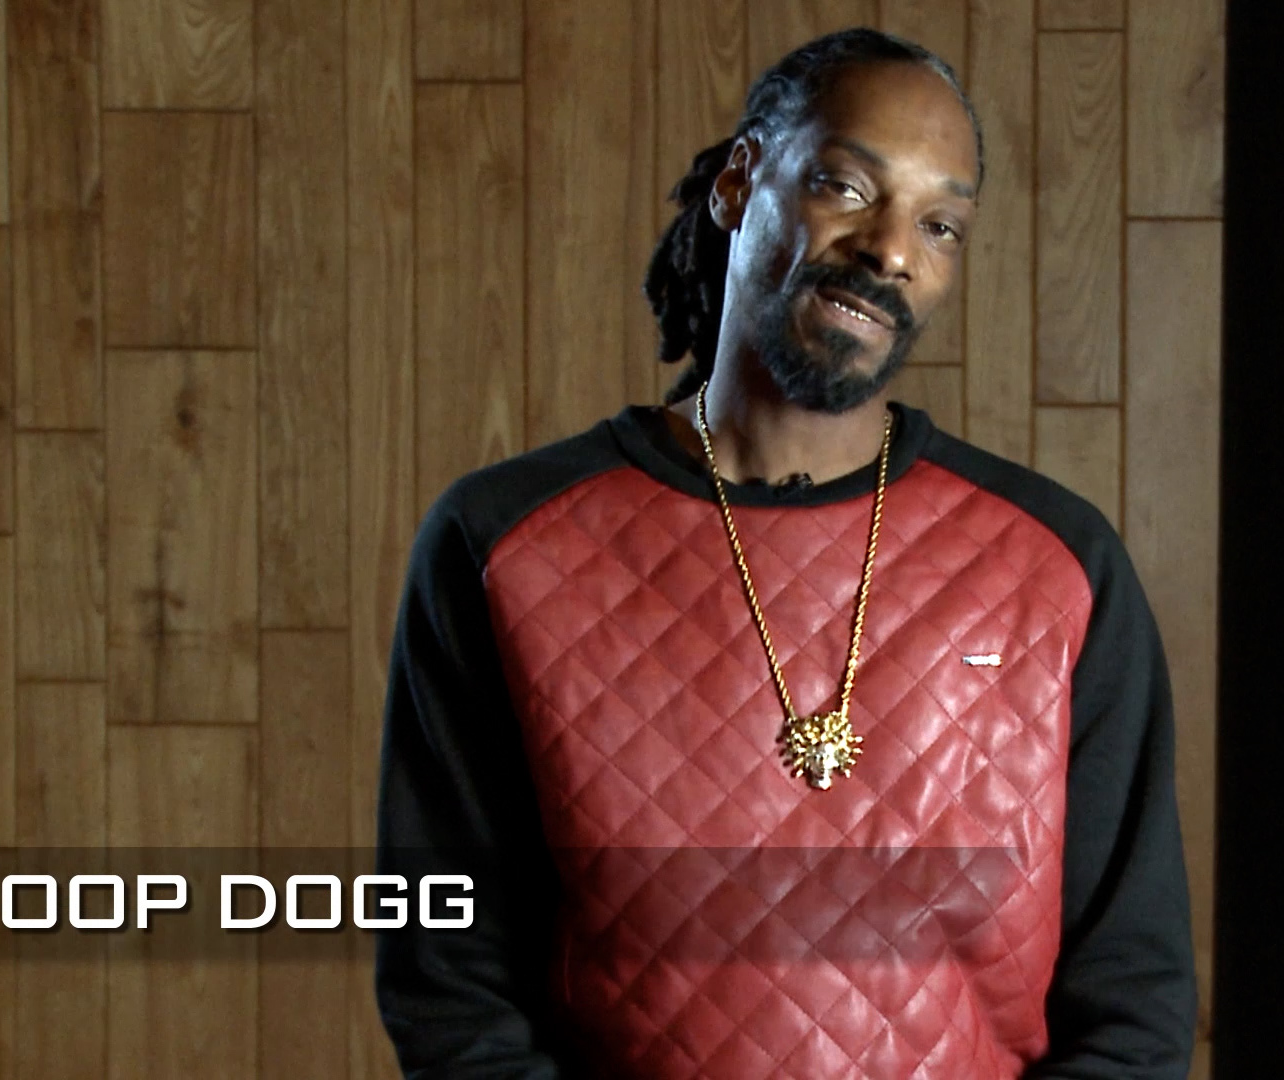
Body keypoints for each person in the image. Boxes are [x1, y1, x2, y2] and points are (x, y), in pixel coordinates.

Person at [375, 27, 1197, 1079]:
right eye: (846, 186)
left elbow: (1133, 1002)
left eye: (940, 225)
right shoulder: (501, 542)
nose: (892, 250)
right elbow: (449, 987)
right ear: (738, 184)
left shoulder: (1059, 565)